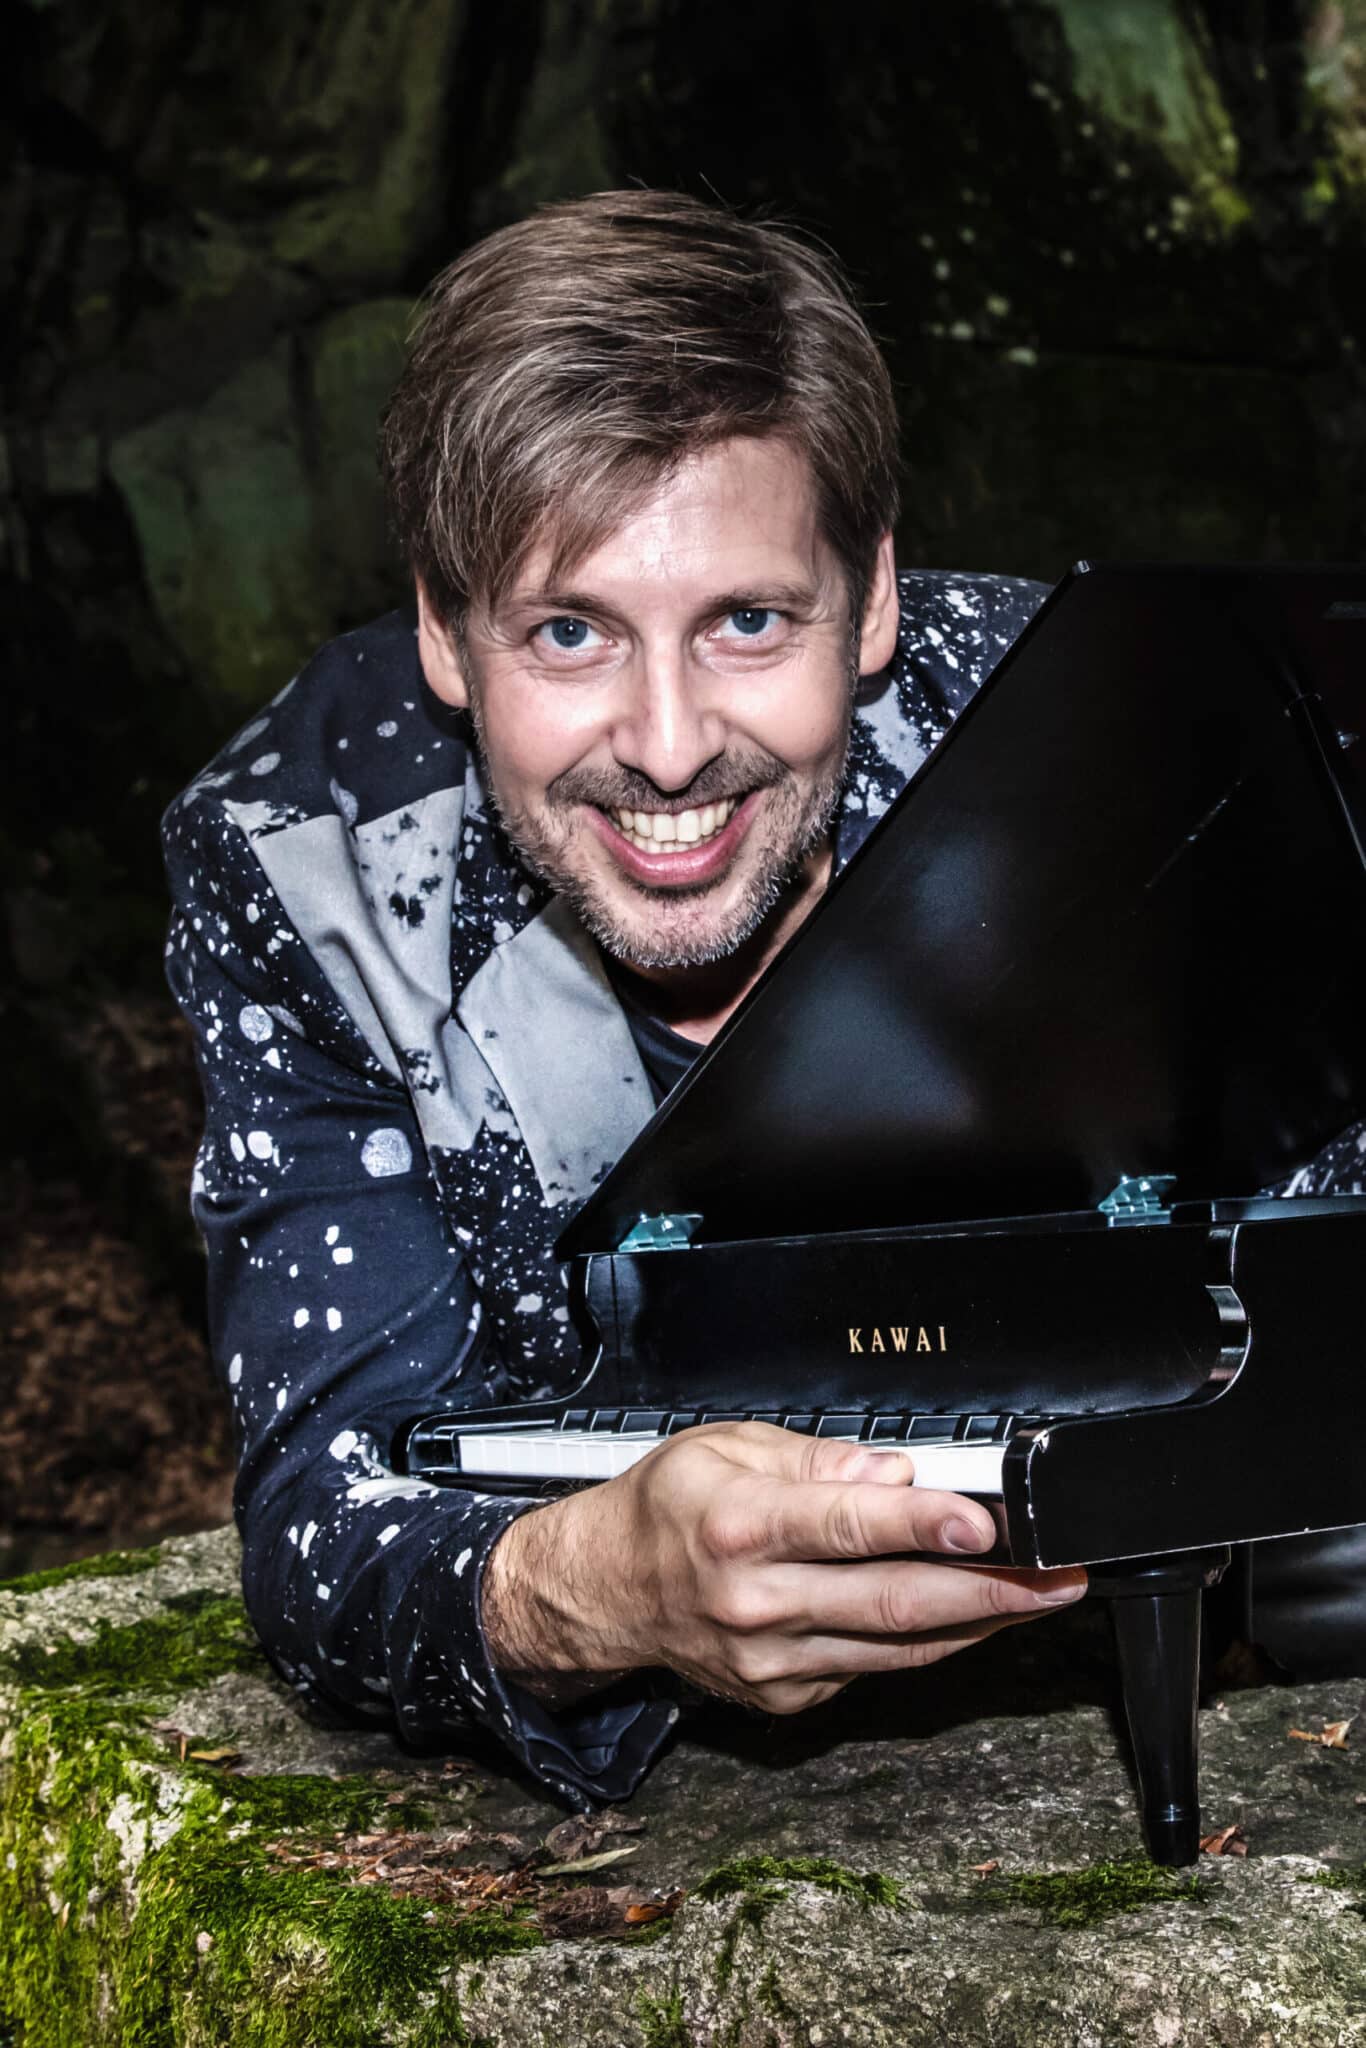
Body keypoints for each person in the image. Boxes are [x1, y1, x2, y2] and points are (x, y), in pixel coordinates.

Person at [160, 189, 1098, 1807]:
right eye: (568, 632)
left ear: (871, 597)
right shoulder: (307, 864)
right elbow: (328, 1525)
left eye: (748, 620)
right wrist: (602, 1583)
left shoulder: (1073, 745)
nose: (667, 748)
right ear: (445, 633)